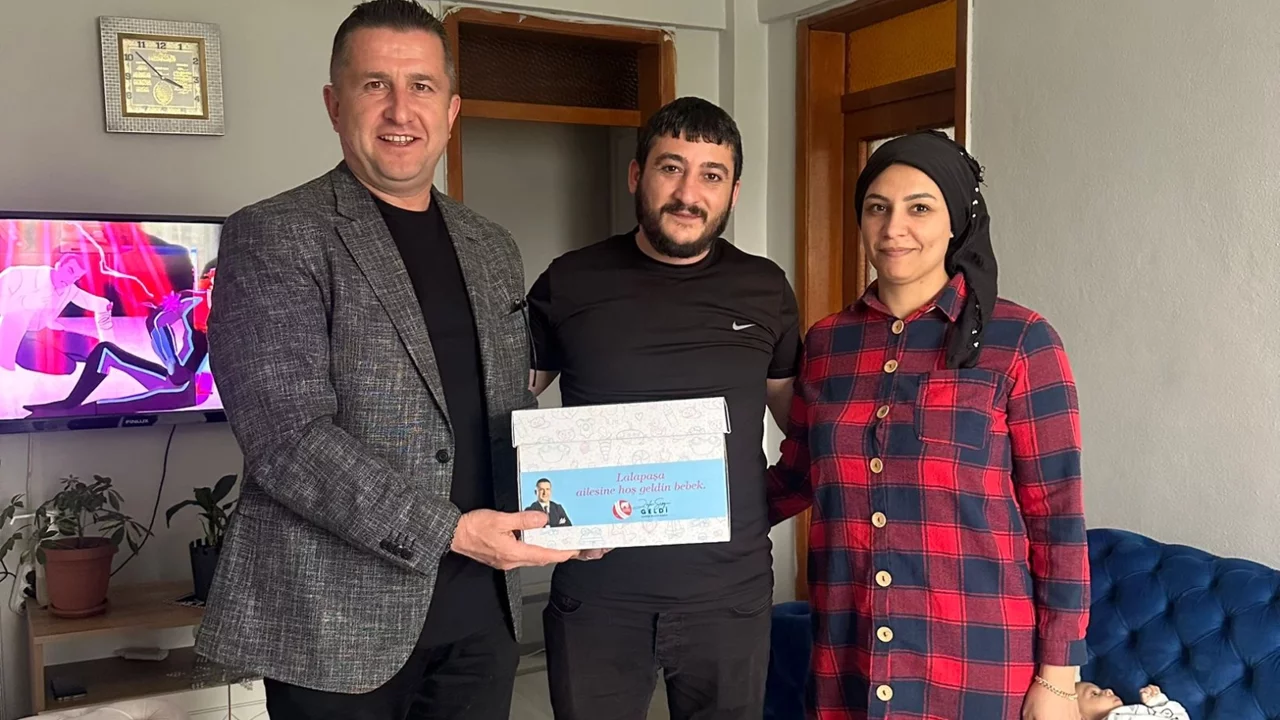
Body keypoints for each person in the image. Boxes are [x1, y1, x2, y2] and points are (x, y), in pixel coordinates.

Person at [193, 2, 588, 718]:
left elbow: (507, 410)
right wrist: (451, 532)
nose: (401, 109)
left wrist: (576, 511)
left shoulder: (491, 246)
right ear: (334, 104)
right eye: (375, 84)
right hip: (335, 626)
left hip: (482, 620)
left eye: (422, 86)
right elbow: (287, 439)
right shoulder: (276, 234)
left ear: (452, 109)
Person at [768, 131, 1090, 720]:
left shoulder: (1021, 341)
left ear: (956, 222)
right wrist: (673, 510)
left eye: (919, 208)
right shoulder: (827, 343)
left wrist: (1060, 676)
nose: (894, 227)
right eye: (877, 207)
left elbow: (1058, 518)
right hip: (849, 655)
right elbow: (795, 477)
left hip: (973, 662)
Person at [527, 96, 803, 720]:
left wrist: (763, 503)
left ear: (733, 192)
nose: (688, 193)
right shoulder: (570, 281)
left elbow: (800, 423)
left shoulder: (765, 288)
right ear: (637, 174)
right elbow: (500, 407)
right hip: (598, 597)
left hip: (728, 598)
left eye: (711, 175)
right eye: (670, 167)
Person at [1076, 683, 1189, 720]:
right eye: (1094, 694)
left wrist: (1157, 701)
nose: (1109, 690)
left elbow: (1179, 715)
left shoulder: (1137, 711)